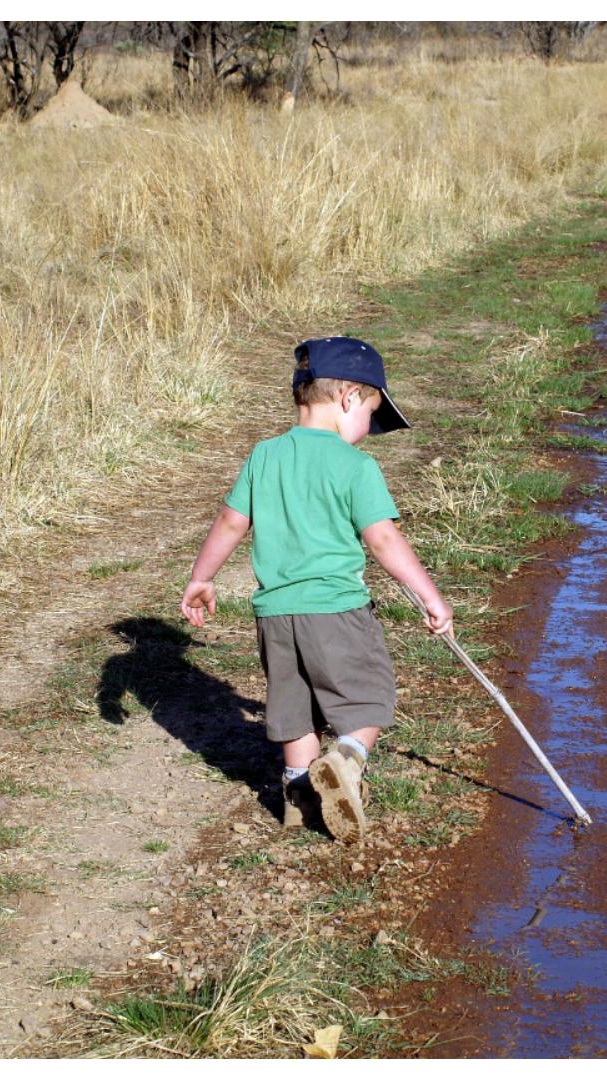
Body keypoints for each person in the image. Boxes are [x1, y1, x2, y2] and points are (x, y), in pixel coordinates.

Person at [180, 336, 453, 843]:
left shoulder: (264, 456)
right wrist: (429, 595)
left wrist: (202, 577)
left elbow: (230, 522)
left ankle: (299, 795)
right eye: (372, 414)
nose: (369, 432)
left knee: (292, 708)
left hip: (275, 613)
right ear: (349, 397)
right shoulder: (354, 467)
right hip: (336, 610)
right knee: (367, 697)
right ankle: (346, 762)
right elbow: (383, 538)